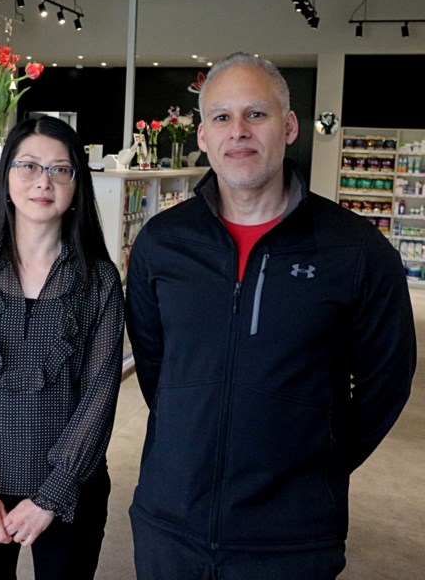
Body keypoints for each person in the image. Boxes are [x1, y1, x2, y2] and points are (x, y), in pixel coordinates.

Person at [125, 52, 417, 579]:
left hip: (292, 540)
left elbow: (387, 380)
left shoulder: (356, 251)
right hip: (170, 523)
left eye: (255, 114)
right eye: (221, 117)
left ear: (288, 127)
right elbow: (155, 368)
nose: (238, 132)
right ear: (202, 136)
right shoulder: (162, 244)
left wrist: (322, 459)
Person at [0, 116, 124, 579]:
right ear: (6, 179)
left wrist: (51, 496)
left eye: (61, 169)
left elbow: (100, 397)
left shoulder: (99, 280)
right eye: (29, 166)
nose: (44, 181)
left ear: (77, 185)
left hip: (71, 488)